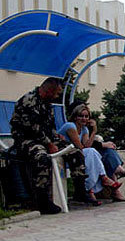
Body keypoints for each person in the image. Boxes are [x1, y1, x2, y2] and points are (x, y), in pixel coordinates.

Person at [10, 78, 92, 214]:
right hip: (26, 140)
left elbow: (49, 125)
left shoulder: (47, 104)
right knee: (42, 156)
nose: (57, 96)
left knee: (74, 150)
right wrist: (49, 143)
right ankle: (42, 200)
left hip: (44, 138)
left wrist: (55, 137)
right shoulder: (29, 101)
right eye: (56, 93)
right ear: (48, 91)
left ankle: (80, 190)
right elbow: (33, 128)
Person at [58, 104, 125, 202]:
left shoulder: (84, 129)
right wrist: (101, 144)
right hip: (65, 155)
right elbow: (81, 147)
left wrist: (93, 131)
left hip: (78, 155)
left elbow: (87, 145)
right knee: (92, 152)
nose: (84, 119)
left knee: (97, 153)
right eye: (81, 116)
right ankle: (103, 178)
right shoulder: (70, 126)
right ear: (75, 117)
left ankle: (94, 188)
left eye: (86, 116)